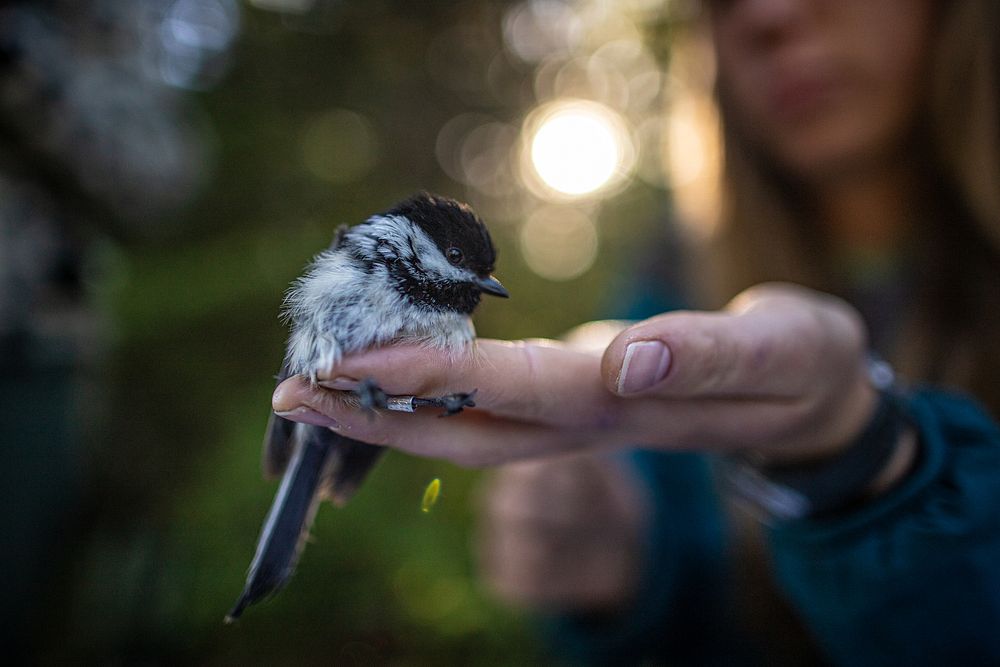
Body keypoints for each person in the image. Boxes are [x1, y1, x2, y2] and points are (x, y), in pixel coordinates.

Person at [271, 0, 1000, 663]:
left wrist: (867, 460)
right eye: (722, 1)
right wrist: (620, 579)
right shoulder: (664, 295)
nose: (771, 16)